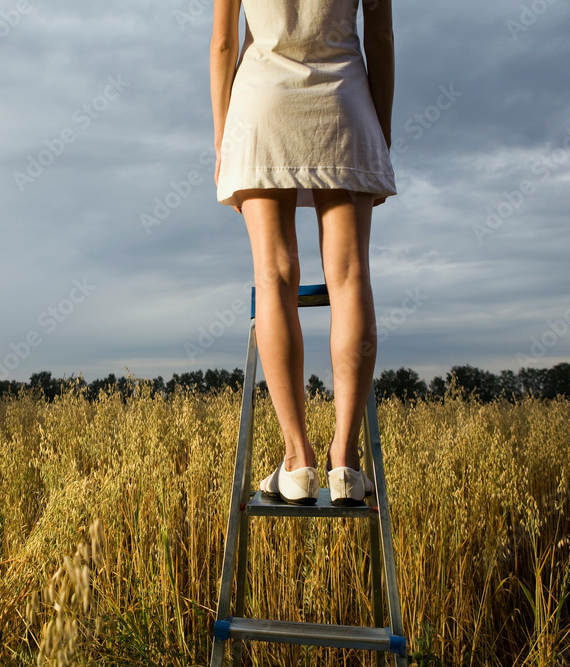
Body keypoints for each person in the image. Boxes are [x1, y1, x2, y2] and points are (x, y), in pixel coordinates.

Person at [210, 0, 395, 505]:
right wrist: (382, 128)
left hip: (261, 106)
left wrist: (222, 141)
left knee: (274, 276)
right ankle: (347, 463)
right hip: (345, 105)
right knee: (351, 275)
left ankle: (296, 462)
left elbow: (225, 44)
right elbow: (380, 38)